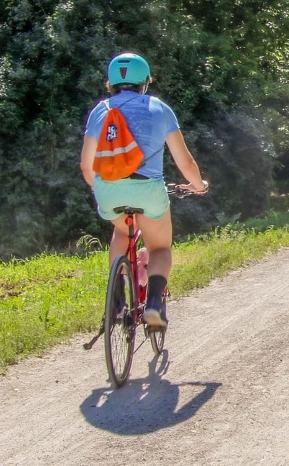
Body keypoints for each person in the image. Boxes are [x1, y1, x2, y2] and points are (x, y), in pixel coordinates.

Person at [80, 52, 209, 329]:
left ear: (110, 84)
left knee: (120, 231)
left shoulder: (100, 111)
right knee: (159, 247)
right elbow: (185, 162)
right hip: (148, 190)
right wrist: (198, 186)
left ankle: (115, 301)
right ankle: (153, 305)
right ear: (145, 82)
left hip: (108, 190)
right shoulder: (159, 108)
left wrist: (101, 186)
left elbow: (86, 165)